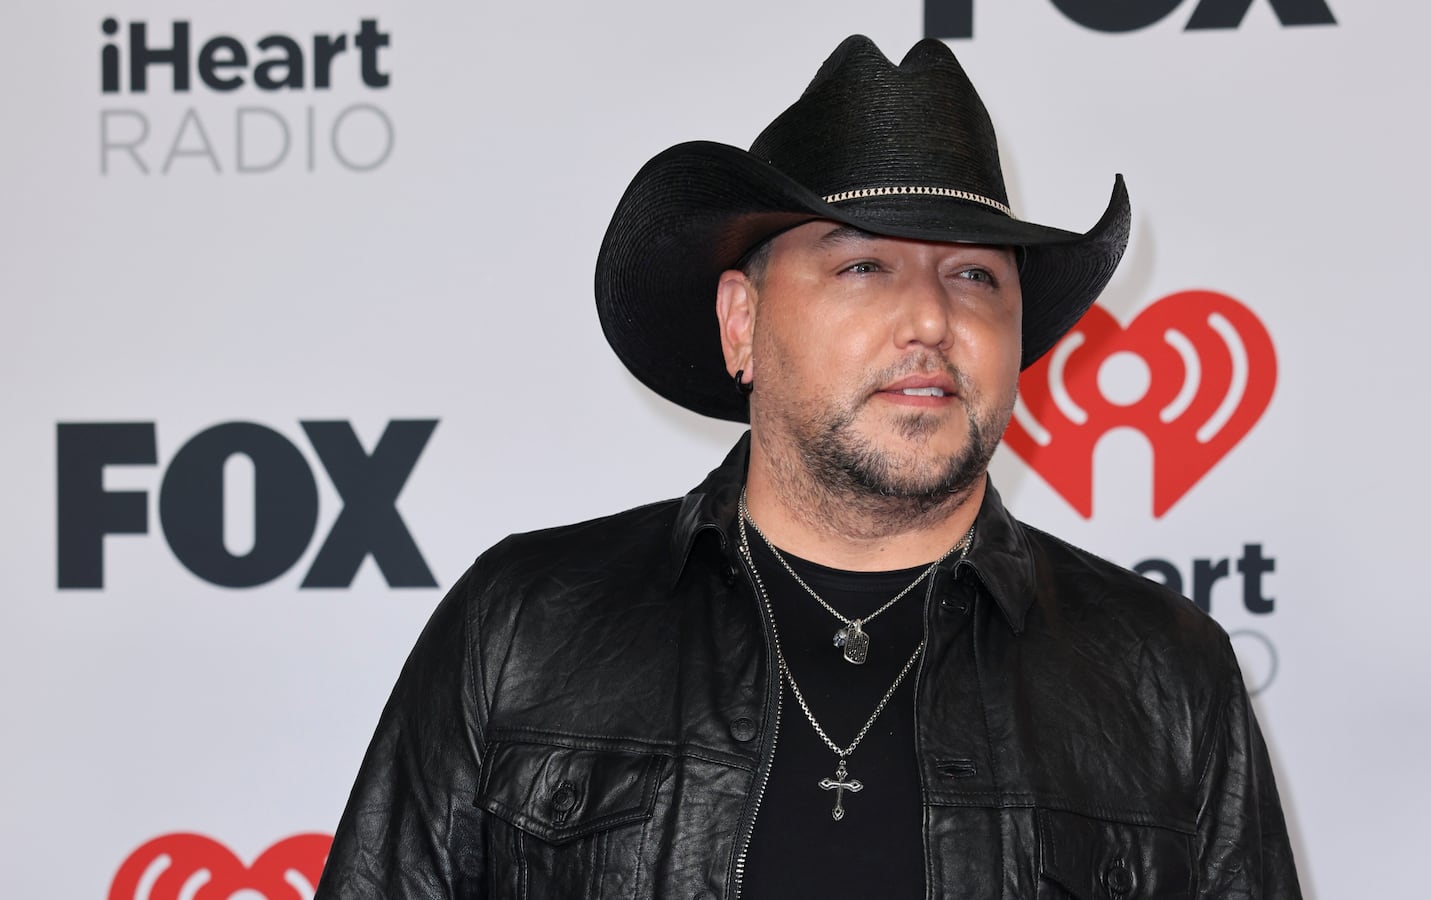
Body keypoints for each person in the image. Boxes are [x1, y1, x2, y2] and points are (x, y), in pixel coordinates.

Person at [315, 35, 1302, 900]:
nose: (931, 319)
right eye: (863, 266)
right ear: (741, 323)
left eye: (974, 276)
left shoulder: (1164, 674)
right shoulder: (523, 627)